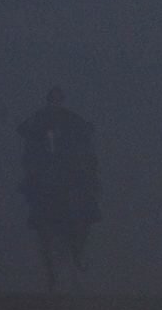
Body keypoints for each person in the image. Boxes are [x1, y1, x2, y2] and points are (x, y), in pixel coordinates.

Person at [16, 86, 101, 292]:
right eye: (53, 99)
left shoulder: (70, 118)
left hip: (69, 169)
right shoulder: (39, 117)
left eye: (58, 99)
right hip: (44, 169)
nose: (55, 103)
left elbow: (86, 132)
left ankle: (79, 246)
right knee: (35, 192)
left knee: (86, 196)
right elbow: (23, 130)